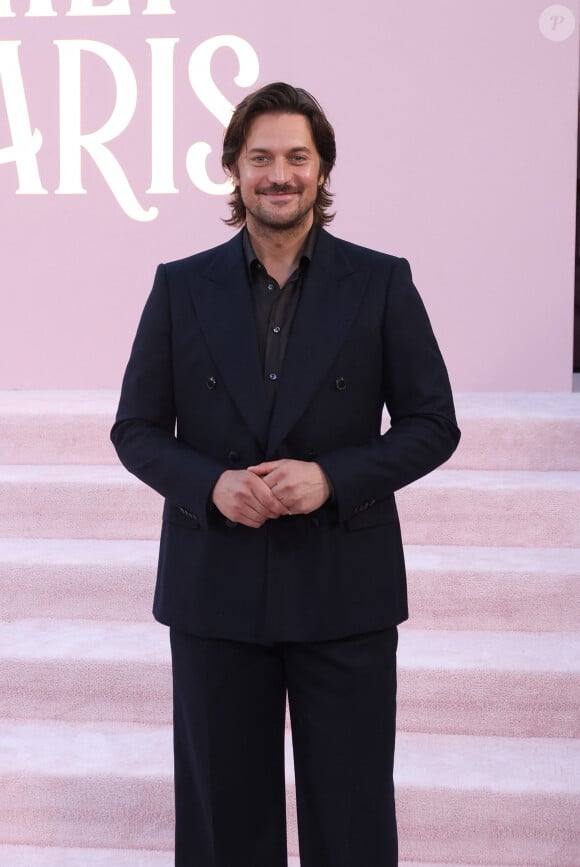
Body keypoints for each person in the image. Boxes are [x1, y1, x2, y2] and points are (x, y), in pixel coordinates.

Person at [111, 81, 460, 867]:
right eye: (261, 157)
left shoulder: (380, 281)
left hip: (344, 587)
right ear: (232, 169)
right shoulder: (180, 285)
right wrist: (210, 484)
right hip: (215, 589)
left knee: (353, 818)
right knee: (222, 828)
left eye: (296, 156)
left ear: (323, 168)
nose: (279, 173)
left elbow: (433, 423)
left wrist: (333, 477)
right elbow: (134, 429)